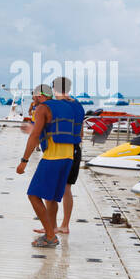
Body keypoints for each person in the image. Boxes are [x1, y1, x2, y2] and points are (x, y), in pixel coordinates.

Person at [16, 85, 83, 247]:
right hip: (69, 157)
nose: (33, 99)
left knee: (33, 195)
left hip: (53, 157)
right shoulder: (67, 106)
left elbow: (35, 136)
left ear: (40, 95)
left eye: (34, 96)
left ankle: (51, 236)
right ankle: (50, 230)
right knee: (51, 197)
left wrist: (24, 161)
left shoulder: (42, 108)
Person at [53, 76, 82, 234]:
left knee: (53, 188)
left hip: (61, 150)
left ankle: (52, 225)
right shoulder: (77, 105)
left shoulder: (57, 106)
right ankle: (64, 225)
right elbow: (81, 131)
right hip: (76, 148)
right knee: (66, 189)